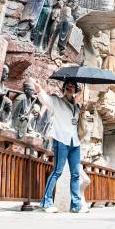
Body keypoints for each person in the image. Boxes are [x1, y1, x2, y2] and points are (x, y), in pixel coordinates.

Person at [38, 80, 86, 213]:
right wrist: (39, 90)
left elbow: (75, 123)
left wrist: (81, 112)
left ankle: (76, 205)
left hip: (75, 142)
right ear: (63, 88)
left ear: (75, 90)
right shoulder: (57, 101)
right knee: (57, 171)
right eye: (68, 86)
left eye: (72, 86)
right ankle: (46, 202)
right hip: (61, 140)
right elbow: (45, 100)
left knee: (75, 174)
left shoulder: (76, 107)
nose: (70, 88)